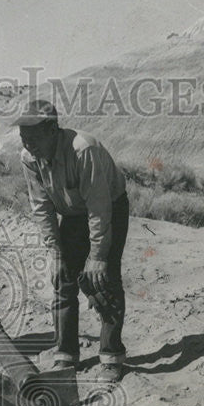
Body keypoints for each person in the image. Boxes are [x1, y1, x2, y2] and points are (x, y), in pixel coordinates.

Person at [16, 99, 129, 382]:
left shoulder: (83, 149)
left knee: (104, 281)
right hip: (73, 213)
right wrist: (55, 254)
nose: (28, 144)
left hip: (109, 209)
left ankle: (111, 356)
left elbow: (99, 208)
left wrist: (98, 256)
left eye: (33, 137)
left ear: (53, 129)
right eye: (23, 137)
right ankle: (66, 354)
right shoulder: (29, 158)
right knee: (63, 278)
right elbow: (41, 208)